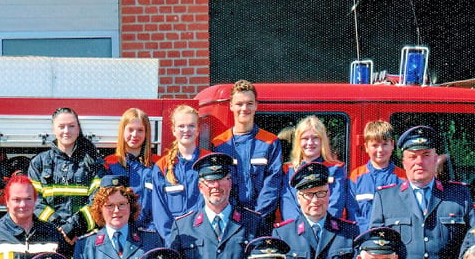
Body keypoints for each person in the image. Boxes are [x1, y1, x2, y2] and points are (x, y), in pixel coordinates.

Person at [369, 125, 475, 259]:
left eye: (426, 155)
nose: (419, 162)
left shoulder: (459, 195)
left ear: (436, 159)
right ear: (403, 162)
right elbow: (378, 248)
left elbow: (473, 244)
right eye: (412, 156)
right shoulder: (385, 198)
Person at [168, 153, 265, 259]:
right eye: (209, 181)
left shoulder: (253, 222)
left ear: (230, 183)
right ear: (201, 187)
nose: (216, 186)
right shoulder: (183, 227)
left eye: (221, 179)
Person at [273, 162, 359, 259]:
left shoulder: (349, 232)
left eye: (321, 193)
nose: (315, 200)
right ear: (298, 198)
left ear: (329, 193)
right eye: (308, 194)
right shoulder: (283, 235)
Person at [28, 106, 105, 240]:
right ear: (53, 129)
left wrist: (74, 226)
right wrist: (58, 226)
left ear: (78, 128)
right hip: (49, 237)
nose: (66, 131)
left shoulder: (93, 162)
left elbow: (99, 200)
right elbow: (34, 201)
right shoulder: (38, 163)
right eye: (61, 126)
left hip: (85, 237)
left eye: (71, 126)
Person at [210, 80, 284, 216]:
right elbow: (218, 183)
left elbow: (273, 183)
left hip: (263, 220)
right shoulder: (219, 144)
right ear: (231, 106)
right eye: (239, 104)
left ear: (256, 105)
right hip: (231, 220)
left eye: (249, 103)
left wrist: (257, 216)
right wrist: (233, 215)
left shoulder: (270, 142)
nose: (244, 108)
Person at [149, 105, 210, 239]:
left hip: (206, 239)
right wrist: (172, 242)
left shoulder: (209, 162)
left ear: (198, 130)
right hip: (175, 242)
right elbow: (160, 213)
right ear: (173, 130)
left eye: (191, 126)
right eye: (181, 126)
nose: (186, 130)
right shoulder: (162, 167)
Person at [277, 116, 350, 221]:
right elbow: (288, 205)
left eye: (315, 138)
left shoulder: (336, 169)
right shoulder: (288, 170)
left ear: (322, 141)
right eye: (305, 138)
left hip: (327, 231)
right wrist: (300, 230)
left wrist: (319, 227)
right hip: (297, 232)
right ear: (298, 142)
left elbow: (335, 204)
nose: (310, 143)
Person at [104, 108, 160, 229]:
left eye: (140, 130)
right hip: (120, 232)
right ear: (122, 131)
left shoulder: (157, 165)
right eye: (130, 129)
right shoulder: (109, 164)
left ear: (146, 133)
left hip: (150, 233)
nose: (135, 135)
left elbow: (161, 204)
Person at [348, 121, 402, 227]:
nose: (380, 150)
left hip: (393, 238)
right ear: (366, 147)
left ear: (392, 145)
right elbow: (352, 214)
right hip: (363, 239)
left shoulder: (403, 178)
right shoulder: (356, 176)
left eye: (385, 144)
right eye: (375, 145)